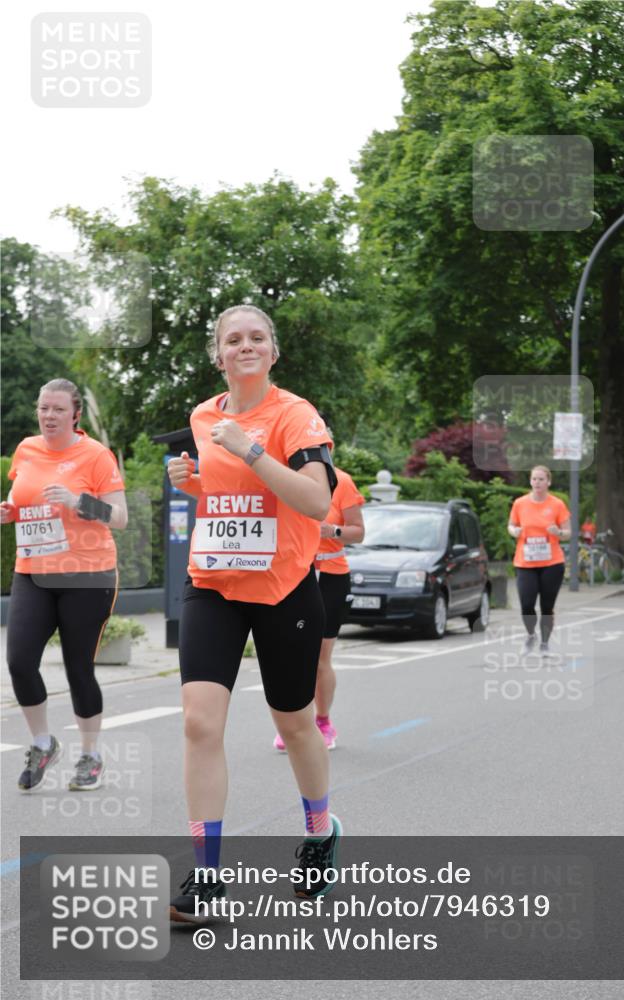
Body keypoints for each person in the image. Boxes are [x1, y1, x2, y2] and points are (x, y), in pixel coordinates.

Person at [166, 304, 342, 923]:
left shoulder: (295, 416)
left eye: (256, 337)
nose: (245, 345)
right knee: (198, 723)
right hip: (212, 582)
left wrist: (250, 451)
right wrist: (190, 482)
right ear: (218, 354)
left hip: (284, 588)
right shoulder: (203, 416)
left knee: (294, 724)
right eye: (232, 339)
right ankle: (207, 877)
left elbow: (316, 501)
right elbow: (227, 499)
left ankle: (320, 833)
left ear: (273, 350)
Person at [0, 379, 127, 792]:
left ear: (75, 414)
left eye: (57, 409)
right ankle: (42, 743)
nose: (48, 416)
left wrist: (78, 501)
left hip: (87, 575)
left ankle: (90, 755)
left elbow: (121, 517)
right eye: (43, 408)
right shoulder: (25, 450)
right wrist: (10, 511)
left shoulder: (95, 456)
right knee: (19, 661)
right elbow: (23, 499)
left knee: (78, 668)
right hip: (33, 572)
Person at [273, 435, 365, 752]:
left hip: (330, 576)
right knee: (288, 655)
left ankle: (323, 721)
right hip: (293, 574)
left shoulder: (343, 482)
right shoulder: (284, 480)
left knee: (320, 658)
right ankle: (293, 723)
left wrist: (334, 531)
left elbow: (358, 532)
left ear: (330, 448)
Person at [507, 465, 571, 657]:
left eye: (541, 479)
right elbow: (511, 524)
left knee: (546, 606)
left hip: (552, 563)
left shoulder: (557, 504)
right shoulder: (520, 503)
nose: (537, 482)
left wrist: (558, 532)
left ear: (548, 482)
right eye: (534, 479)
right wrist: (514, 531)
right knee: (526, 603)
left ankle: (544, 643)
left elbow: (568, 532)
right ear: (530, 481)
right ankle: (530, 635)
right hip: (525, 562)